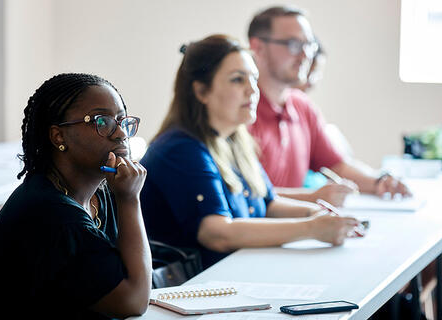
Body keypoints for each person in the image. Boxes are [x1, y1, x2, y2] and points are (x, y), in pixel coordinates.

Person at [139, 34, 362, 269]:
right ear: (201, 91)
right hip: (193, 290)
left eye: (254, 79)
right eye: (238, 80)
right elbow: (217, 233)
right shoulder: (180, 149)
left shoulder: (234, 140)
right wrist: (311, 228)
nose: (252, 90)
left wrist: (319, 215)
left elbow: (267, 205)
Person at [0, 73, 151, 319]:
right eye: (102, 121)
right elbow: (132, 302)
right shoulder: (50, 215)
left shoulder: (103, 193)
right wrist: (130, 200)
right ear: (58, 136)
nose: (121, 133)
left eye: (122, 120)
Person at [247, 6, 410, 207]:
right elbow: (245, 195)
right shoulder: (240, 110)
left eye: (309, 45)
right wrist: (312, 197)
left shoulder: (302, 106)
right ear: (258, 48)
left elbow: (336, 165)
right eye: (293, 44)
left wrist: (379, 182)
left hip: (299, 229)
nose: (305, 55)